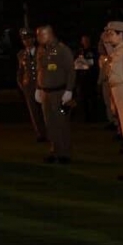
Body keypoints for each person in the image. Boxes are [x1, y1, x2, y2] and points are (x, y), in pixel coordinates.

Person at [35, 25, 76, 164]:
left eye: (41, 35)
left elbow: (71, 71)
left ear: (50, 34)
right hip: (45, 92)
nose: (38, 38)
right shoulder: (41, 50)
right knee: (49, 124)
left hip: (59, 92)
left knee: (61, 123)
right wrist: (38, 88)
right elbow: (40, 70)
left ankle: (64, 153)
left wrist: (69, 90)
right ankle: (54, 150)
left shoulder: (62, 50)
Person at [103, 21, 123, 179]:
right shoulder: (117, 51)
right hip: (118, 92)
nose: (108, 37)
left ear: (121, 34)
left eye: (112, 33)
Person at [16, 27, 47, 141]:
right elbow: (20, 71)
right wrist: (22, 84)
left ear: (33, 39)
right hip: (29, 86)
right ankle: (40, 134)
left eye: (29, 39)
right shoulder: (21, 54)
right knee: (34, 111)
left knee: (45, 110)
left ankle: (50, 132)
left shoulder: (42, 51)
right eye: (24, 40)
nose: (27, 42)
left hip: (41, 85)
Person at [73, 34, 97, 122]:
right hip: (81, 78)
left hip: (90, 78)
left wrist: (84, 64)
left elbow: (91, 64)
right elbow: (76, 64)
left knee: (91, 98)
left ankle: (92, 117)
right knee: (82, 98)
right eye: (84, 40)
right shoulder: (79, 51)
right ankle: (84, 117)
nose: (85, 42)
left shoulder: (93, 51)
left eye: (87, 40)